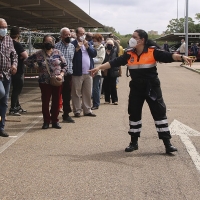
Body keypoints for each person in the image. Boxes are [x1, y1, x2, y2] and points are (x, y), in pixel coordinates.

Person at [89, 29, 194, 154]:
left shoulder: (152, 51)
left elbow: (168, 56)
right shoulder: (129, 54)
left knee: (159, 114)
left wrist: (182, 57)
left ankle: (167, 143)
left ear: (142, 40)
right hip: (136, 88)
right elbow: (114, 62)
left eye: (134, 37)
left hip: (152, 88)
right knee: (134, 114)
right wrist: (99, 67)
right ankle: (133, 143)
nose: (131, 39)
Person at [24, 35, 68, 129]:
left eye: (50, 41)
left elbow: (65, 65)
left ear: (53, 43)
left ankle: (55, 120)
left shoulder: (58, 52)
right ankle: (46, 121)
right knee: (45, 101)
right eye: (46, 41)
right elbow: (27, 61)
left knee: (56, 101)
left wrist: (61, 75)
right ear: (43, 42)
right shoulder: (39, 54)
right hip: (44, 81)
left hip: (57, 81)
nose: (48, 43)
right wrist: (35, 67)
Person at [71, 27, 97, 117]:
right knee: (76, 92)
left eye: (83, 33)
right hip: (77, 72)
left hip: (88, 72)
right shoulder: (73, 44)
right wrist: (77, 49)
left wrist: (87, 46)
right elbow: (70, 56)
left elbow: (94, 54)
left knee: (87, 92)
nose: (82, 35)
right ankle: (77, 110)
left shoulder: (88, 43)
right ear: (77, 34)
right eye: (81, 33)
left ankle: (87, 110)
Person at [0, 18, 18, 137]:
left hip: (7, 74)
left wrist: (14, 65)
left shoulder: (8, 40)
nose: (5, 30)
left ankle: (1, 127)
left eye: (5, 27)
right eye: (2, 28)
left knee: (4, 101)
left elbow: (14, 55)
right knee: (1, 93)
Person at [55, 27, 75, 123]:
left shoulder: (72, 46)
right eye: (66, 35)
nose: (68, 36)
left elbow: (72, 59)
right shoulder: (56, 46)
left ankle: (66, 115)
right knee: (56, 95)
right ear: (61, 36)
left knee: (67, 96)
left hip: (69, 75)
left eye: (69, 35)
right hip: (58, 75)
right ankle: (54, 116)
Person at [9, 26, 28, 116]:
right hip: (18, 69)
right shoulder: (17, 44)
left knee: (15, 89)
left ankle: (17, 106)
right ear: (18, 34)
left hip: (10, 69)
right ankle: (13, 108)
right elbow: (26, 56)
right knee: (17, 89)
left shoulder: (8, 42)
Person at [102, 39, 119, 105]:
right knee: (106, 85)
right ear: (106, 45)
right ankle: (107, 100)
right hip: (105, 70)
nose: (109, 46)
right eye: (108, 44)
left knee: (113, 86)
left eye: (111, 45)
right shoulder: (104, 51)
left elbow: (117, 61)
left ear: (113, 45)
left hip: (113, 70)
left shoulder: (115, 52)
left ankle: (115, 100)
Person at [91, 33, 105, 110]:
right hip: (89, 69)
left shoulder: (102, 48)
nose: (94, 41)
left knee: (95, 88)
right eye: (93, 40)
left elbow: (100, 59)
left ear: (99, 40)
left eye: (95, 40)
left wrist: (90, 60)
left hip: (97, 70)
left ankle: (96, 103)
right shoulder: (92, 47)